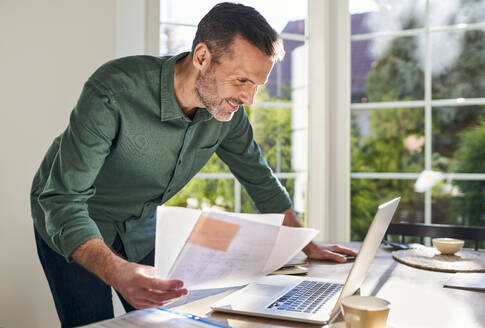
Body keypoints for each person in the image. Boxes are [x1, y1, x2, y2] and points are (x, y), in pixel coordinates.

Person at [30, 2, 357, 327]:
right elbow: (64, 199)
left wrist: (305, 243)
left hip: (141, 226)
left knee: (161, 319)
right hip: (74, 218)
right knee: (91, 323)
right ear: (202, 57)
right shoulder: (114, 89)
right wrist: (116, 271)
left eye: (256, 85)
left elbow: (259, 178)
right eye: (242, 80)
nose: (249, 99)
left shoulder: (228, 116)